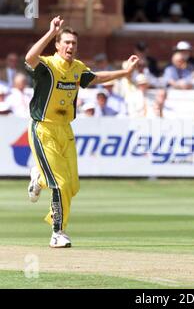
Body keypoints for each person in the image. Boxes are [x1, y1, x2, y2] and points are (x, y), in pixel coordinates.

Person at [24, 16, 139, 248]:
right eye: (65, 42)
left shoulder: (77, 69)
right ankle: (58, 232)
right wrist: (50, 32)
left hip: (65, 130)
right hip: (43, 129)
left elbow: (96, 78)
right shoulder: (47, 66)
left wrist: (124, 73)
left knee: (72, 186)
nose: (70, 47)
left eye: (73, 43)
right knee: (60, 184)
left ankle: (39, 178)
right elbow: (29, 58)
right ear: (57, 45)